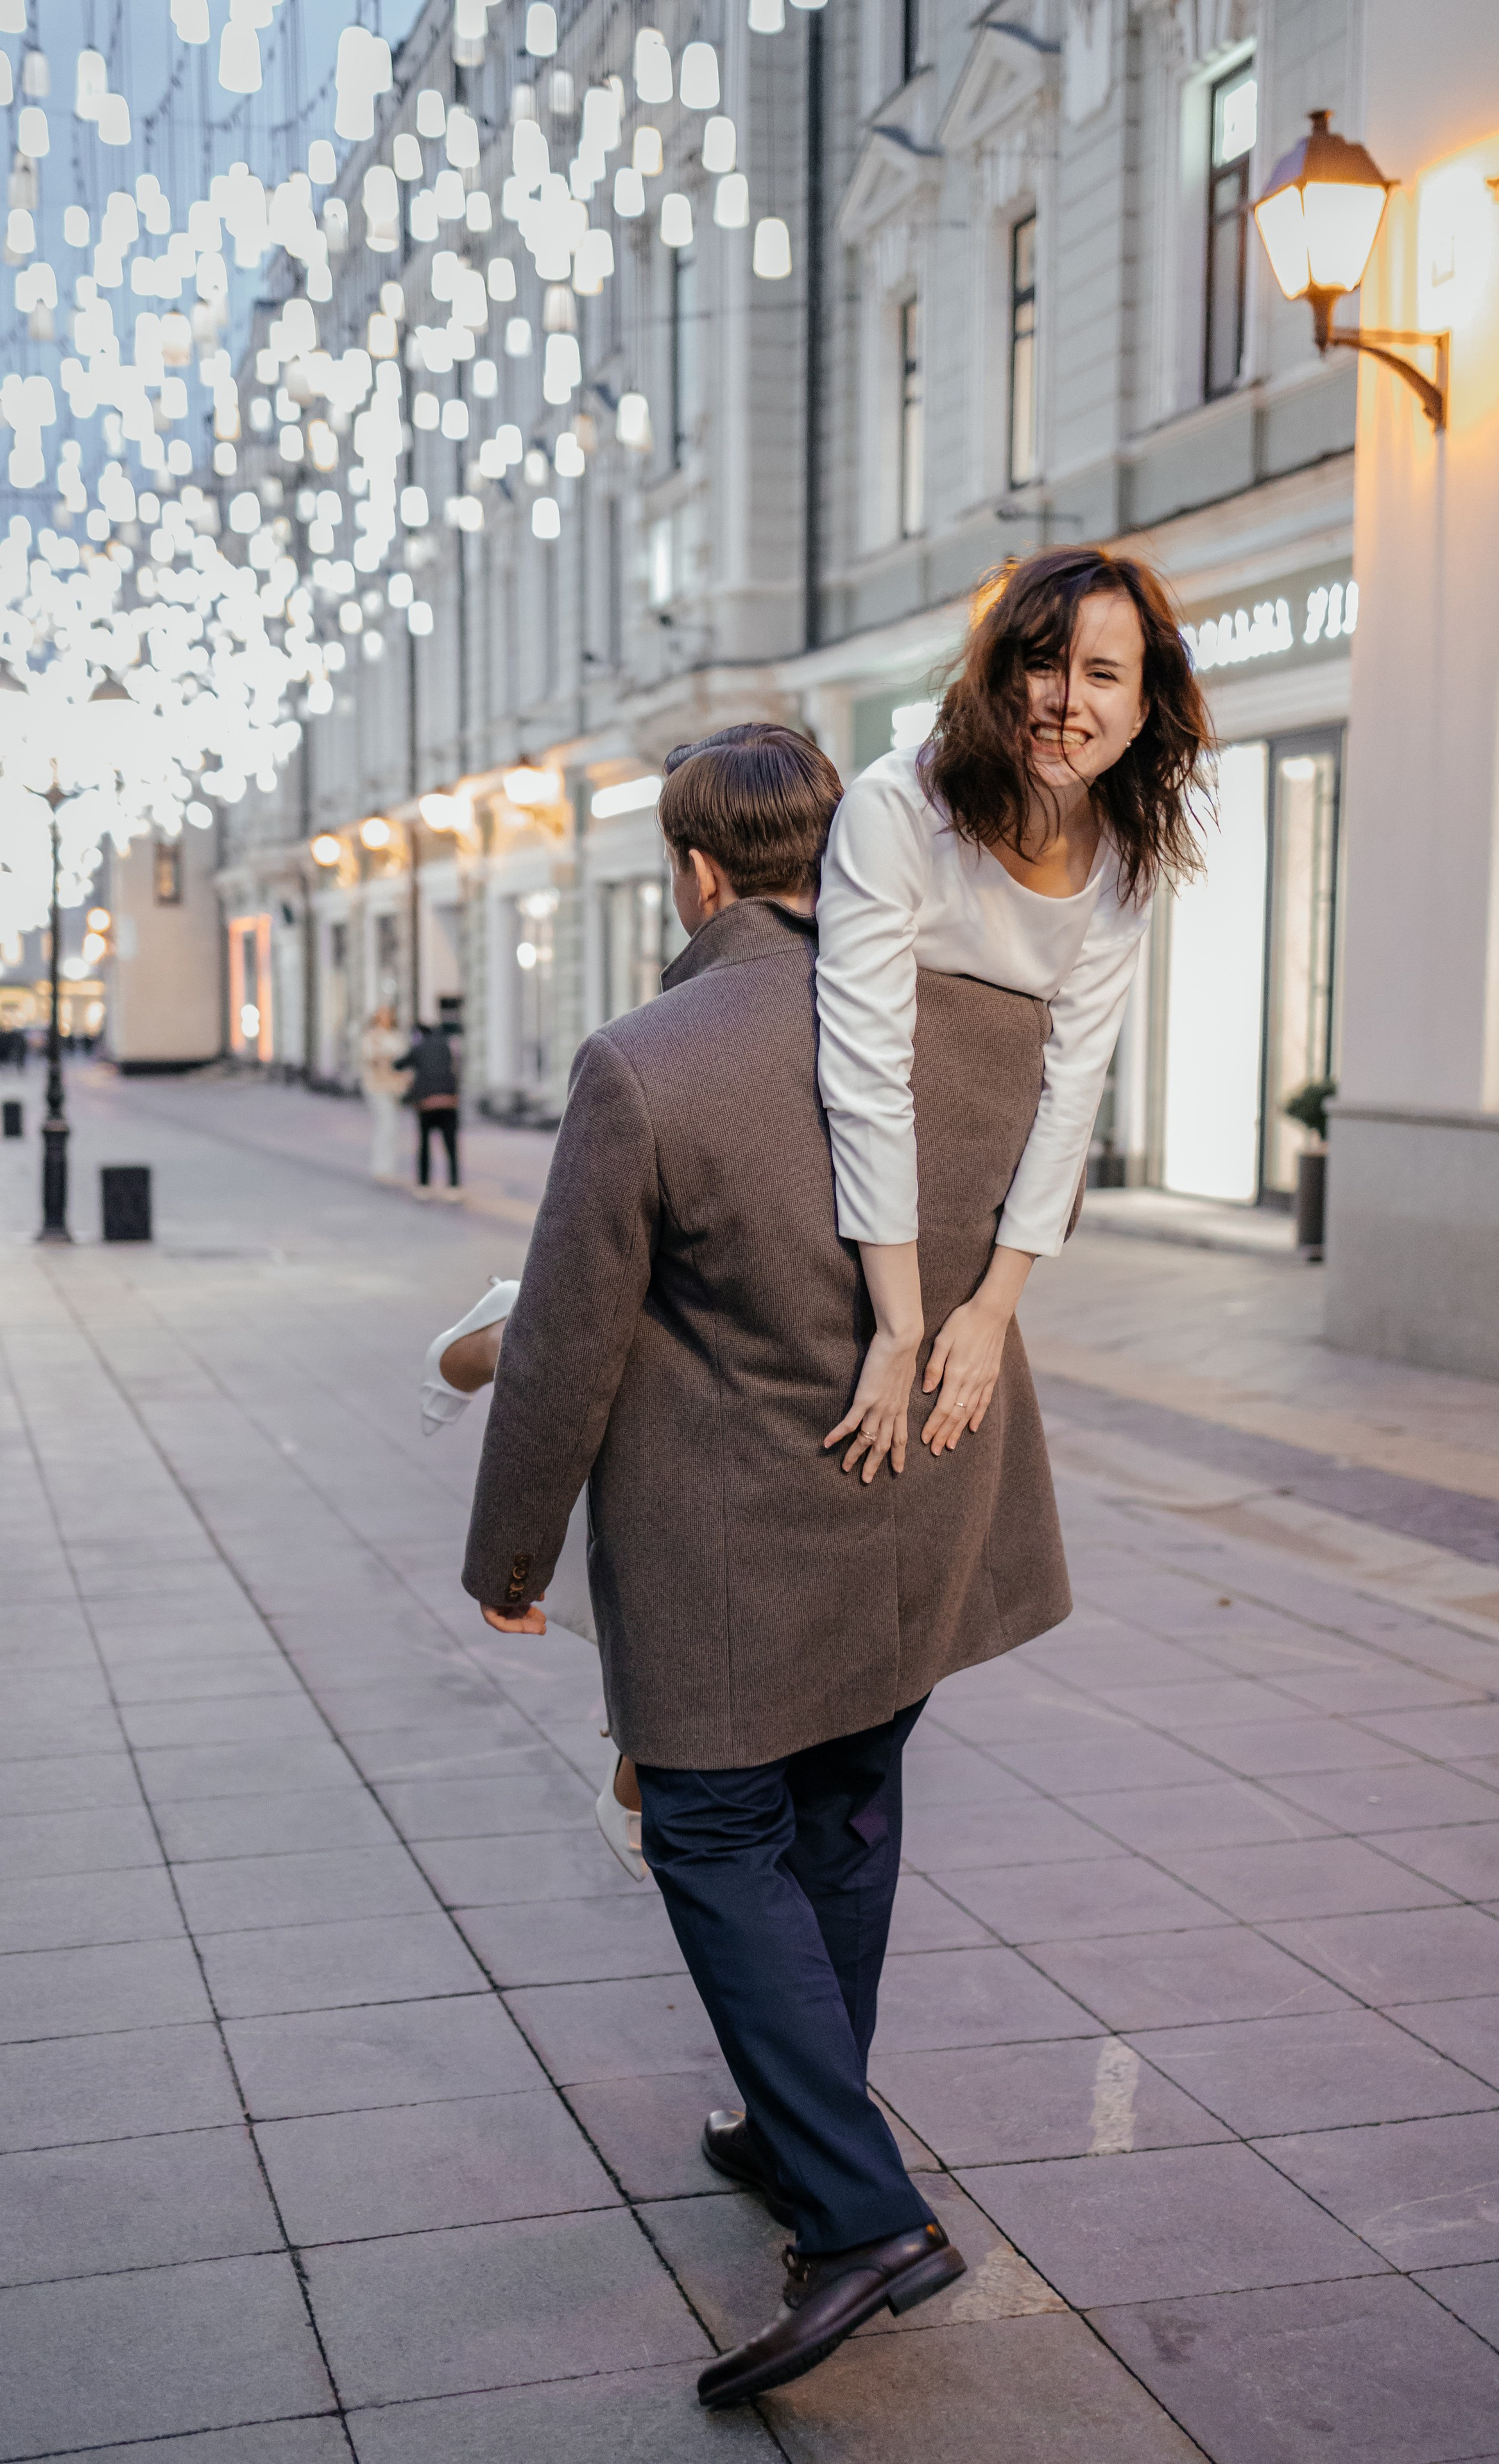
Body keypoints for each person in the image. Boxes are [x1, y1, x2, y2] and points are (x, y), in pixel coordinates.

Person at [461, 723, 1075, 2408]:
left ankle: (864, 2214)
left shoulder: (648, 1060)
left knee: (716, 1832)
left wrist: (509, 1556)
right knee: (851, 1811)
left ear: (698, 872)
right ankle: (800, 2130)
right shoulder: (983, 1024)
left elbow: (566, 1348)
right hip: (917, 1528)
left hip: (733, 1551)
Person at [817, 542, 1212, 1485]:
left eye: (1103, 674)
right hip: (846, 1198)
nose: (1066, 702)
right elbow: (866, 1069)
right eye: (1041, 662)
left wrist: (998, 1304)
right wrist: (900, 1324)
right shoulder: (896, 807)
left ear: (1144, 708)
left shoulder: (1122, 859)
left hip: (980, 1225)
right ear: (995, 676)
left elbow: (1074, 1087)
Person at [397, 1018, 461, 1199]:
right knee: (451, 1146)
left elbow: (399, 1064)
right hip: (448, 1101)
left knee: (425, 1145)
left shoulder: (419, 1048)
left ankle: (424, 1185)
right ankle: (454, 1186)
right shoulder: (447, 1046)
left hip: (427, 1103)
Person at [359, 1002, 407, 1183]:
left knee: (392, 1127)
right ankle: (380, 1166)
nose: (386, 1020)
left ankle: (389, 1167)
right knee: (385, 1125)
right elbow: (373, 1061)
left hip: (394, 1088)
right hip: (378, 1087)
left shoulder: (395, 1036)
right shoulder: (372, 1038)